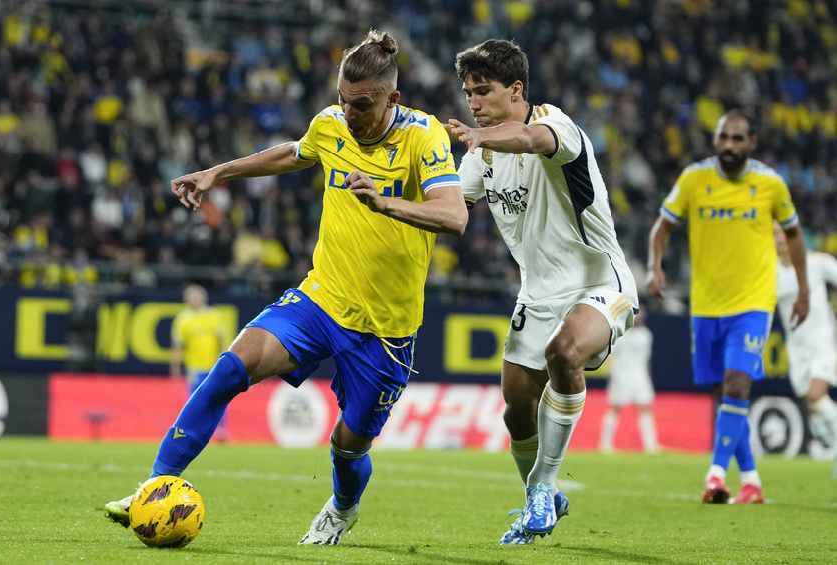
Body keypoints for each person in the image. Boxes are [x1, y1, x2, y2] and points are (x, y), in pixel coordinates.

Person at [104, 29, 467, 545]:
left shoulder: (422, 137)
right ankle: (154, 485)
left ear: (393, 98)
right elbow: (294, 153)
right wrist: (218, 173)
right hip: (322, 298)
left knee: (348, 446)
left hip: (385, 331)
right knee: (232, 365)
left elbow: (454, 216)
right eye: (343, 101)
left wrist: (388, 205)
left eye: (362, 105)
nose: (350, 114)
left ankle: (343, 507)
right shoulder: (331, 124)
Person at [447, 39, 638, 544]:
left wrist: (478, 137)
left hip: (601, 281)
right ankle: (544, 497)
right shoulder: (482, 153)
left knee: (565, 351)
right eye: (468, 93)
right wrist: (387, 205)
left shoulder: (558, 126)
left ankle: (541, 488)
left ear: (517, 90)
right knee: (515, 408)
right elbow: (452, 213)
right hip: (537, 293)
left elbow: (532, 140)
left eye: (483, 92)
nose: (473, 103)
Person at [647, 110, 809, 505]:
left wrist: (803, 290)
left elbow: (795, 235)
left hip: (754, 303)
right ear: (715, 140)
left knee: (738, 385)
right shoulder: (694, 179)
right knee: (725, 396)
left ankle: (715, 476)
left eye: (738, 139)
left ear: (751, 142)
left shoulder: (770, 184)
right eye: (724, 138)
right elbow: (662, 226)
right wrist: (655, 267)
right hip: (706, 306)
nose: (730, 146)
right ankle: (751, 480)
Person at [774, 225, 837, 467]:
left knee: (815, 395)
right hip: (796, 350)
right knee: (812, 405)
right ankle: (831, 444)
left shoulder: (818, 263)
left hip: (823, 343)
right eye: (774, 235)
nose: (779, 239)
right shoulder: (772, 274)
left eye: (783, 233)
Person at [598, 308, 660, 454]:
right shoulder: (618, 333)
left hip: (640, 376)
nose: (639, 318)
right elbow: (610, 354)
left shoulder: (646, 335)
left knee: (645, 408)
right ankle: (605, 445)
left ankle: (650, 446)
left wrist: (648, 377)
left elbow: (646, 359)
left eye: (640, 315)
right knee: (615, 408)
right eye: (635, 316)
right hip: (621, 375)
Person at [170, 284, 227, 439]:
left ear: (203, 297)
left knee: (219, 397)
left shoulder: (214, 315)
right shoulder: (182, 319)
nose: (194, 299)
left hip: (213, 366)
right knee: (196, 402)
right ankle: (196, 432)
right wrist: (175, 367)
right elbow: (178, 345)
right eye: (191, 297)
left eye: (197, 296)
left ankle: (221, 430)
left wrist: (224, 362)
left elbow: (221, 341)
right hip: (194, 367)